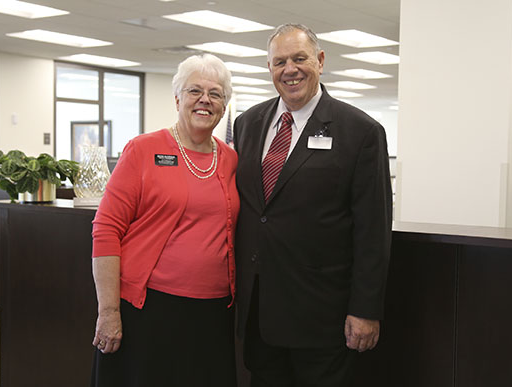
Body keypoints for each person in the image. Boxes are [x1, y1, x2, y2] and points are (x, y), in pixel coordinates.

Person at [233, 23, 393, 386]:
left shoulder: (361, 132)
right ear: (270, 69)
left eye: (299, 58)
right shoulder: (248, 123)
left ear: (320, 61)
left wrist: (365, 310)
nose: (289, 70)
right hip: (260, 312)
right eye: (279, 62)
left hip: (322, 317)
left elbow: (373, 230)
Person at [90, 53, 239, 387]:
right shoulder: (143, 150)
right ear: (177, 99)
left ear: (224, 104)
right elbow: (106, 229)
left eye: (215, 94)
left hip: (213, 313)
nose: (205, 100)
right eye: (194, 91)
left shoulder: (230, 158)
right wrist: (109, 310)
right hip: (150, 309)